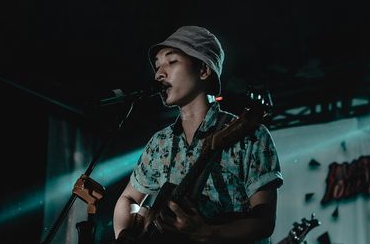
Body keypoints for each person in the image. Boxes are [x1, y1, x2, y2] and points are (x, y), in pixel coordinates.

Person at [112, 25, 283, 244]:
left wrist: (208, 233)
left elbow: (264, 222)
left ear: (203, 70)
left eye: (172, 61)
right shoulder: (160, 143)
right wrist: (127, 233)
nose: (159, 74)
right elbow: (128, 198)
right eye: (157, 66)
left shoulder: (251, 135)